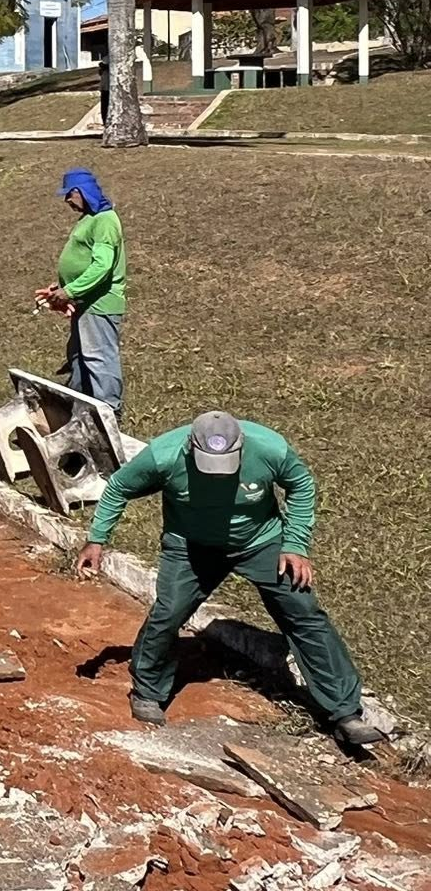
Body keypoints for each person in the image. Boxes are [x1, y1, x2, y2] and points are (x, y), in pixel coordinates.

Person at [77, 410, 383, 747]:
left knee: (303, 611)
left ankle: (344, 712)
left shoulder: (268, 448)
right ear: (190, 448)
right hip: (190, 546)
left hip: (261, 542)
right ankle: (148, 691)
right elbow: (119, 486)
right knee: (168, 613)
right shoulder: (164, 455)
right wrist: (97, 539)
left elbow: (301, 485)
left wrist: (294, 544)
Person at [35, 167, 125, 415]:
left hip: (101, 303)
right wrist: (62, 288)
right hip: (84, 301)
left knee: (99, 359)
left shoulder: (105, 220)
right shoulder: (90, 218)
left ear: (81, 192)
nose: (66, 201)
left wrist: (70, 291)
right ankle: (79, 409)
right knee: (78, 357)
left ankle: (109, 414)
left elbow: (103, 266)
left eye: (69, 194)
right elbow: (84, 259)